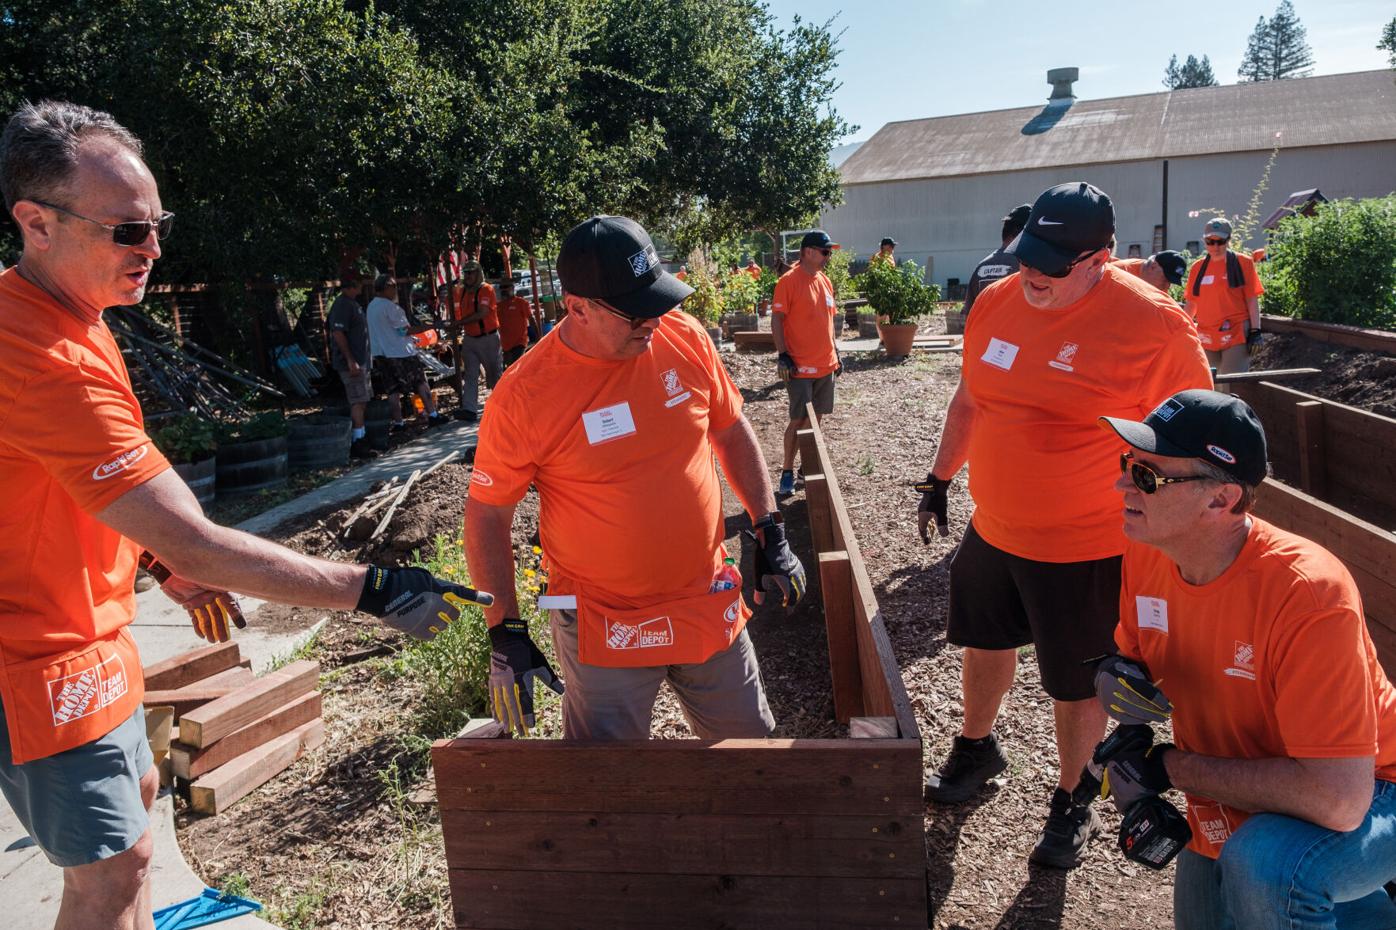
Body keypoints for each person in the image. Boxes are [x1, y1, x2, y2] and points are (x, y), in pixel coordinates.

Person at [0, 100, 486, 930]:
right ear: (35, 223)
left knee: (142, 806)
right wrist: (372, 589)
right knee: (112, 875)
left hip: (92, 627)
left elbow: (79, 487)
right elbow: (197, 534)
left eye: (157, 225)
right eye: (127, 231)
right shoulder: (40, 357)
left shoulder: (78, 318)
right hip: (40, 653)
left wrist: (157, 566)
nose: (153, 249)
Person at [916, 181, 1211, 869]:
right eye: (1026, 255)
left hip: (1088, 544)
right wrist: (939, 478)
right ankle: (977, 748)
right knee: (981, 642)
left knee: (1076, 684)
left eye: (1052, 262)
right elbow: (972, 397)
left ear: (1100, 258)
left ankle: (1073, 795)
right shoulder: (996, 302)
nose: (1031, 273)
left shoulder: (1154, 326)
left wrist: (1176, 526)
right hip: (996, 527)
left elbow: (1198, 438)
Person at [464, 215, 806, 741]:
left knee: (752, 757)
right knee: (610, 785)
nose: (654, 320)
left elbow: (730, 426)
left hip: (702, 597)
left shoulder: (682, 336)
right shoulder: (525, 394)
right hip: (604, 620)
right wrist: (506, 630)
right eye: (635, 311)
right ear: (576, 307)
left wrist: (769, 527)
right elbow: (488, 514)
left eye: (658, 300)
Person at [1096, 389, 1396, 929]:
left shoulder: (1307, 593)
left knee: (1267, 865)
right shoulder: (1149, 551)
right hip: (1233, 790)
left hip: (1372, 790)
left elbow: (1337, 800)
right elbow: (1135, 665)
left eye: (1148, 477)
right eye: (1129, 465)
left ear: (1222, 499)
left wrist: (1166, 767)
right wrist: (1118, 688)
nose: (1123, 483)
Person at [771, 230, 840, 498]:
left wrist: (836, 352)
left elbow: (829, 321)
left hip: (826, 365)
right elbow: (777, 319)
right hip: (799, 367)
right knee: (798, 420)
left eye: (829, 252)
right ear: (808, 252)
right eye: (825, 252)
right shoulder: (788, 282)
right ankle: (787, 470)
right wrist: (783, 354)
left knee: (818, 418)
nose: (828, 257)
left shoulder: (825, 282)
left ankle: (805, 468)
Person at [365, 273, 446, 433]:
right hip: (401, 352)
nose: (395, 290)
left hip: (381, 353)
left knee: (392, 390)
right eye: (393, 286)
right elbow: (404, 331)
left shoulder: (371, 307)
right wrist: (429, 327)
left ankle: (399, 423)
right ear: (385, 288)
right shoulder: (391, 308)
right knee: (420, 382)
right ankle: (433, 415)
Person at [1184, 218, 1263, 378]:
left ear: (1228, 240)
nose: (1215, 246)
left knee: (1231, 381)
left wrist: (1255, 331)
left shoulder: (1243, 263)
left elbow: (1251, 299)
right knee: (1208, 381)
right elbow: (1192, 304)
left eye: (1220, 241)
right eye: (1210, 242)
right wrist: (1182, 328)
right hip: (1206, 333)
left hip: (1236, 332)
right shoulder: (1197, 268)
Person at [327, 273, 377, 458]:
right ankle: (357, 441)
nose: (361, 288)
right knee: (357, 400)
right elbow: (338, 333)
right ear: (351, 286)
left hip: (361, 361)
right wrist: (350, 359)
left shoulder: (352, 304)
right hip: (352, 363)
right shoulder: (342, 305)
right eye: (358, 285)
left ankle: (362, 435)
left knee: (362, 399)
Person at [450, 260, 501, 422]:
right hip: (470, 339)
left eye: (471, 272)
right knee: (470, 375)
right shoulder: (463, 292)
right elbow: (461, 313)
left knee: (494, 375)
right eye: (466, 273)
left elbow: (482, 313)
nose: (468, 276)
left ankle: (503, 404)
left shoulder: (486, 289)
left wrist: (459, 323)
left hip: (488, 338)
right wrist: (456, 324)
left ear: (478, 273)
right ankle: (469, 409)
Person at [961, 203, 1032, 316]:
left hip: (984, 332)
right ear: (1023, 233)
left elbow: (968, 314)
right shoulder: (1028, 266)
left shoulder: (981, 267)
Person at [495, 278, 535, 369]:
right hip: (505, 345)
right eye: (501, 287)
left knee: (517, 367)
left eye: (506, 287)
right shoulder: (498, 306)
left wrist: (538, 336)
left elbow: (531, 319)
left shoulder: (521, 303)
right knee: (511, 369)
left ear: (512, 288)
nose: (503, 289)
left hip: (519, 342)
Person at [1113, 250, 1187, 294]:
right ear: (1153, 266)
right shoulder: (1119, 272)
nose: (1167, 286)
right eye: (1165, 279)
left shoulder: (1159, 287)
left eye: (1170, 282)